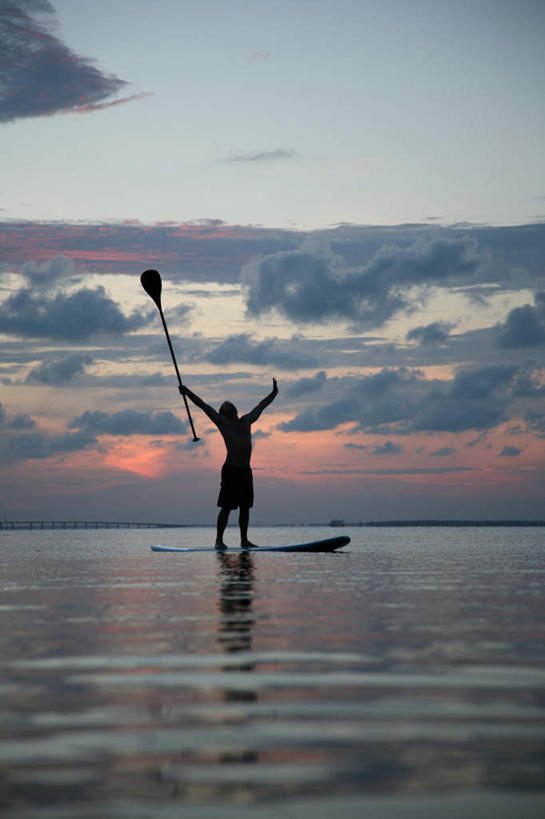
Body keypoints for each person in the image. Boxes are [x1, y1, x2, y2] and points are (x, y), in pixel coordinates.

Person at [179, 379, 278, 549]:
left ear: (234, 410)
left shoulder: (246, 420)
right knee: (226, 507)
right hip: (231, 470)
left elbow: (262, 405)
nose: (226, 407)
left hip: (245, 471)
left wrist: (274, 392)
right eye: (223, 407)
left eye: (228, 406)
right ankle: (219, 540)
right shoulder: (222, 422)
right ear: (222, 413)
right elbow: (203, 405)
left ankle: (244, 540)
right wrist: (187, 392)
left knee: (245, 507)